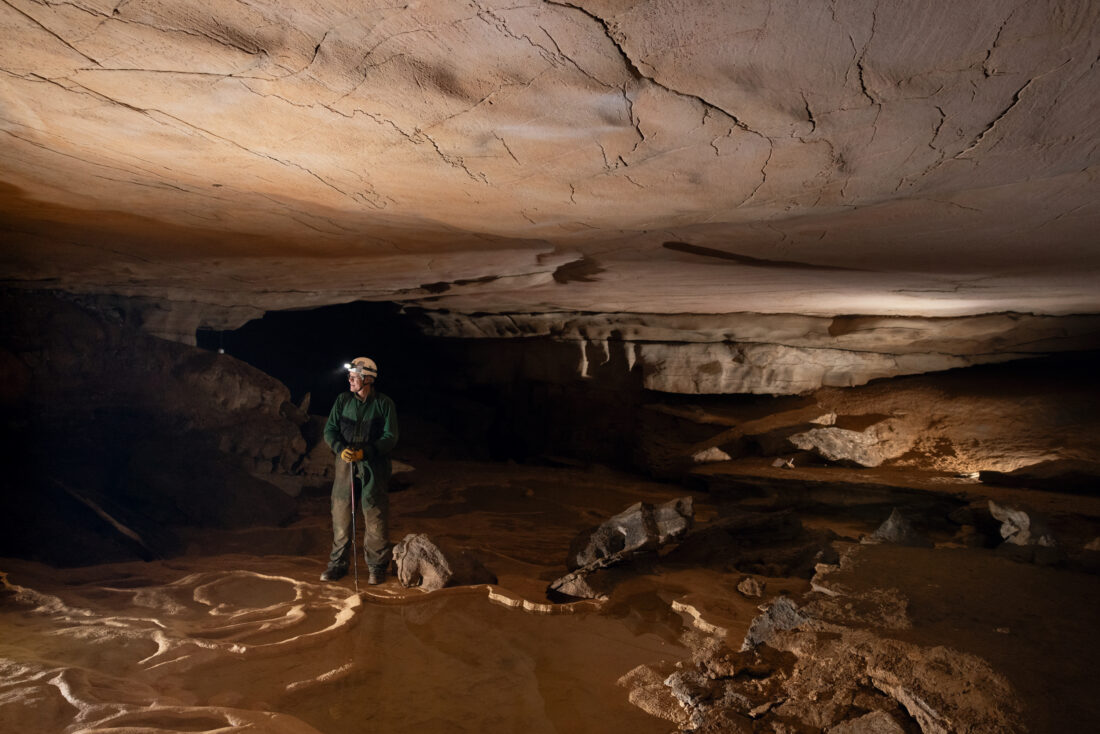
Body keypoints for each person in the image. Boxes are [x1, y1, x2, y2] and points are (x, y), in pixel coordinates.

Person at [320, 357, 399, 584]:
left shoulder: (384, 404)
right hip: (345, 465)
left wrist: (366, 452)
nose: (350, 380)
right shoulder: (343, 401)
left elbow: (390, 436)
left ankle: (376, 568)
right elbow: (330, 430)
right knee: (342, 513)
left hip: (373, 466)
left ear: (367, 379)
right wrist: (340, 449)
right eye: (350, 376)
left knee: (374, 515)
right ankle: (338, 566)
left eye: (354, 376)